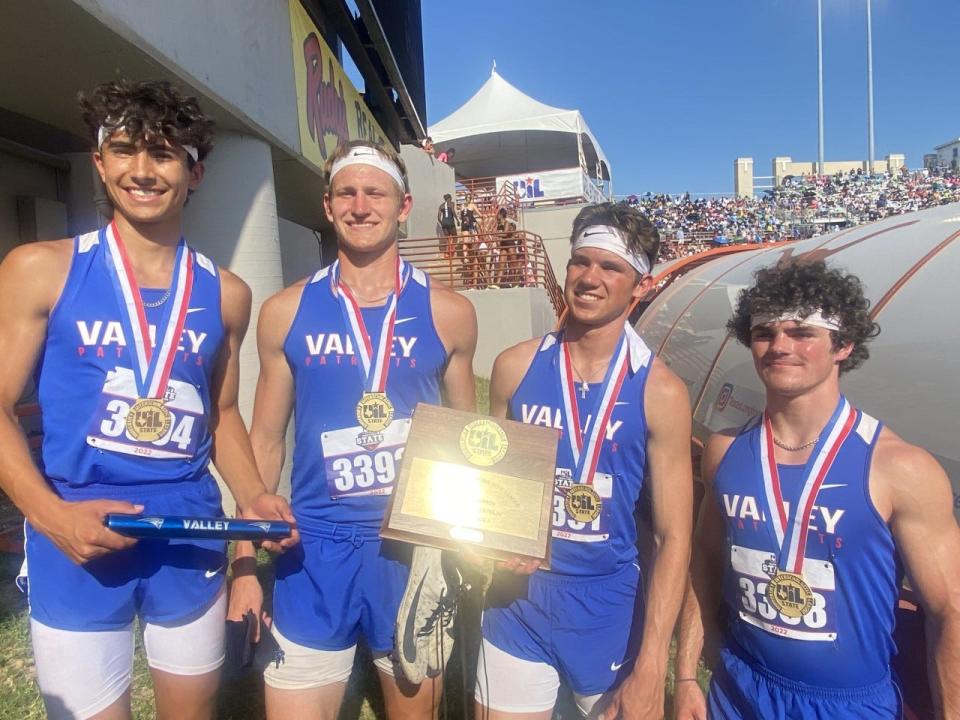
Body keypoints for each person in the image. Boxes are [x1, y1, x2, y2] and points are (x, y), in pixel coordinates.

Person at [0, 79, 296, 720]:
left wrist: (253, 499)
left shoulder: (228, 293)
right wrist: (53, 518)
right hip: (79, 520)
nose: (142, 170)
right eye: (126, 149)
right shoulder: (40, 268)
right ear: (99, 160)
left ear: (195, 173)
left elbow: (220, 414)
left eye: (163, 154)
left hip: (187, 528)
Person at [229, 140, 478, 719]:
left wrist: (477, 544)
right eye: (347, 192)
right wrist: (244, 561)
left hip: (411, 548)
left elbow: (469, 444)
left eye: (376, 193)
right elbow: (264, 441)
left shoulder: (450, 312)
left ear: (404, 205)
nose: (360, 206)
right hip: (313, 550)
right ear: (327, 204)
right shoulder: (285, 311)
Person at [674, 261, 960, 720]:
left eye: (802, 331)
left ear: (843, 344)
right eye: (765, 332)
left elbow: (950, 611)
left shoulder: (899, 467)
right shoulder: (725, 449)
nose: (780, 346)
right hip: (739, 688)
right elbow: (705, 559)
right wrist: (687, 674)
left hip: (849, 704)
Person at [476, 202, 694, 719]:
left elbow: (673, 537)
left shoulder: (661, 390)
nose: (590, 278)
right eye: (581, 262)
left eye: (611, 267)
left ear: (640, 285)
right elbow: (494, 487)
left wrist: (652, 664)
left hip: (608, 607)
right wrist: (494, 538)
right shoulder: (514, 367)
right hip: (518, 600)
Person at [437, 193, 459, 259]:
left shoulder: (441, 206)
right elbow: (453, 211)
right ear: (449, 198)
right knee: (455, 236)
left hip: (444, 222)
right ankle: (452, 250)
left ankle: (447, 253)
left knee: (447, 239)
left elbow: (438, 217)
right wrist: (457, 220)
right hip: (451, 222)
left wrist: (442, 224)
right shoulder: (452, 203)